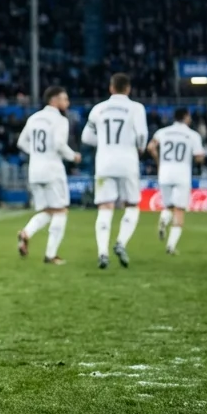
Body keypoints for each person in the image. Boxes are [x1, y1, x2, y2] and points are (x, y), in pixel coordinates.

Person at [82, 73, 149, 269]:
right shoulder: (136, 108)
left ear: (111, 88)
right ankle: (120, 242)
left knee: (105, 207)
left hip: (104, 163)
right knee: (132, 204)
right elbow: (143, 135)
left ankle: (102, 253)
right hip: (128, 162)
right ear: (128, 89)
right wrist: (140, 147)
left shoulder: (98, 109)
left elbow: (86, 138)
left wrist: (102, 142)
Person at [15, 86, 81, 264]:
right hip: (52, 169)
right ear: (54, 100)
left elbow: (21, 142)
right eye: (64, 99)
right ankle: (51, 255)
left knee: (48, 211)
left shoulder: (34, 118)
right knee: (61, 210)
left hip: (35, 170)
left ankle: (26, 233)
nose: (67, 103)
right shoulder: (60, 120)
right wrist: (73, 156)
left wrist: (37, 154)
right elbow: (59, 144)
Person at [147, 108, 206, 255]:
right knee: (179, 210)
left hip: (165, 173)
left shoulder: (162, 132)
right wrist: (198, 158)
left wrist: (159, 160)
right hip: (182, 174)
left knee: (168, 206)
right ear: (186, 117)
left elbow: (150, 147)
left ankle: (163, 219)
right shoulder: (192, 135)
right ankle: (171, 246)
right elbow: (199, 157)